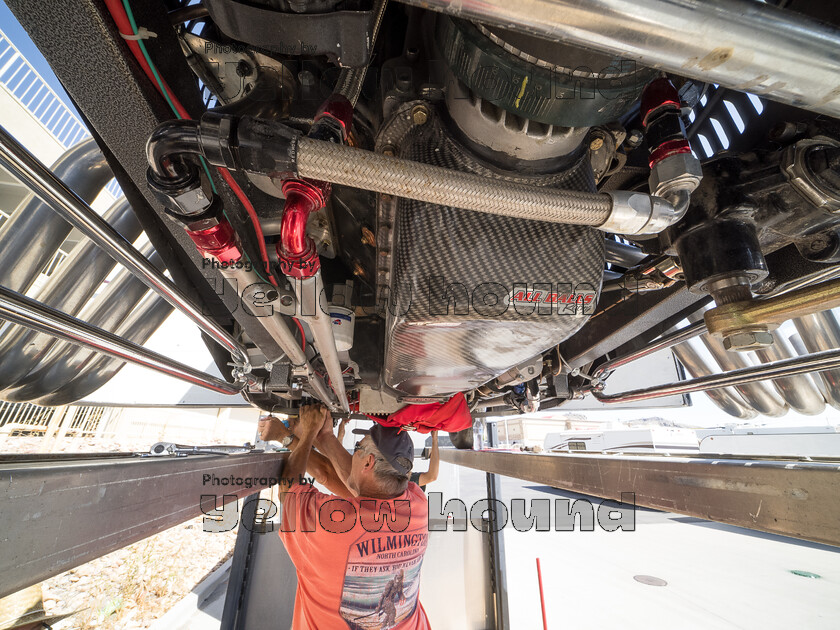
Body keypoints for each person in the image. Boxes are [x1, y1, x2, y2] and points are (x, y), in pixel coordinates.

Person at [267, 404, 431, 630]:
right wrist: (324, 437)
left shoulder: (329, 526)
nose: (353, 453)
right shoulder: (417, 503)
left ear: (367, 462)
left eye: (357, 448)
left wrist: (304, 436)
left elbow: (289, 492)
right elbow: (354, 483)